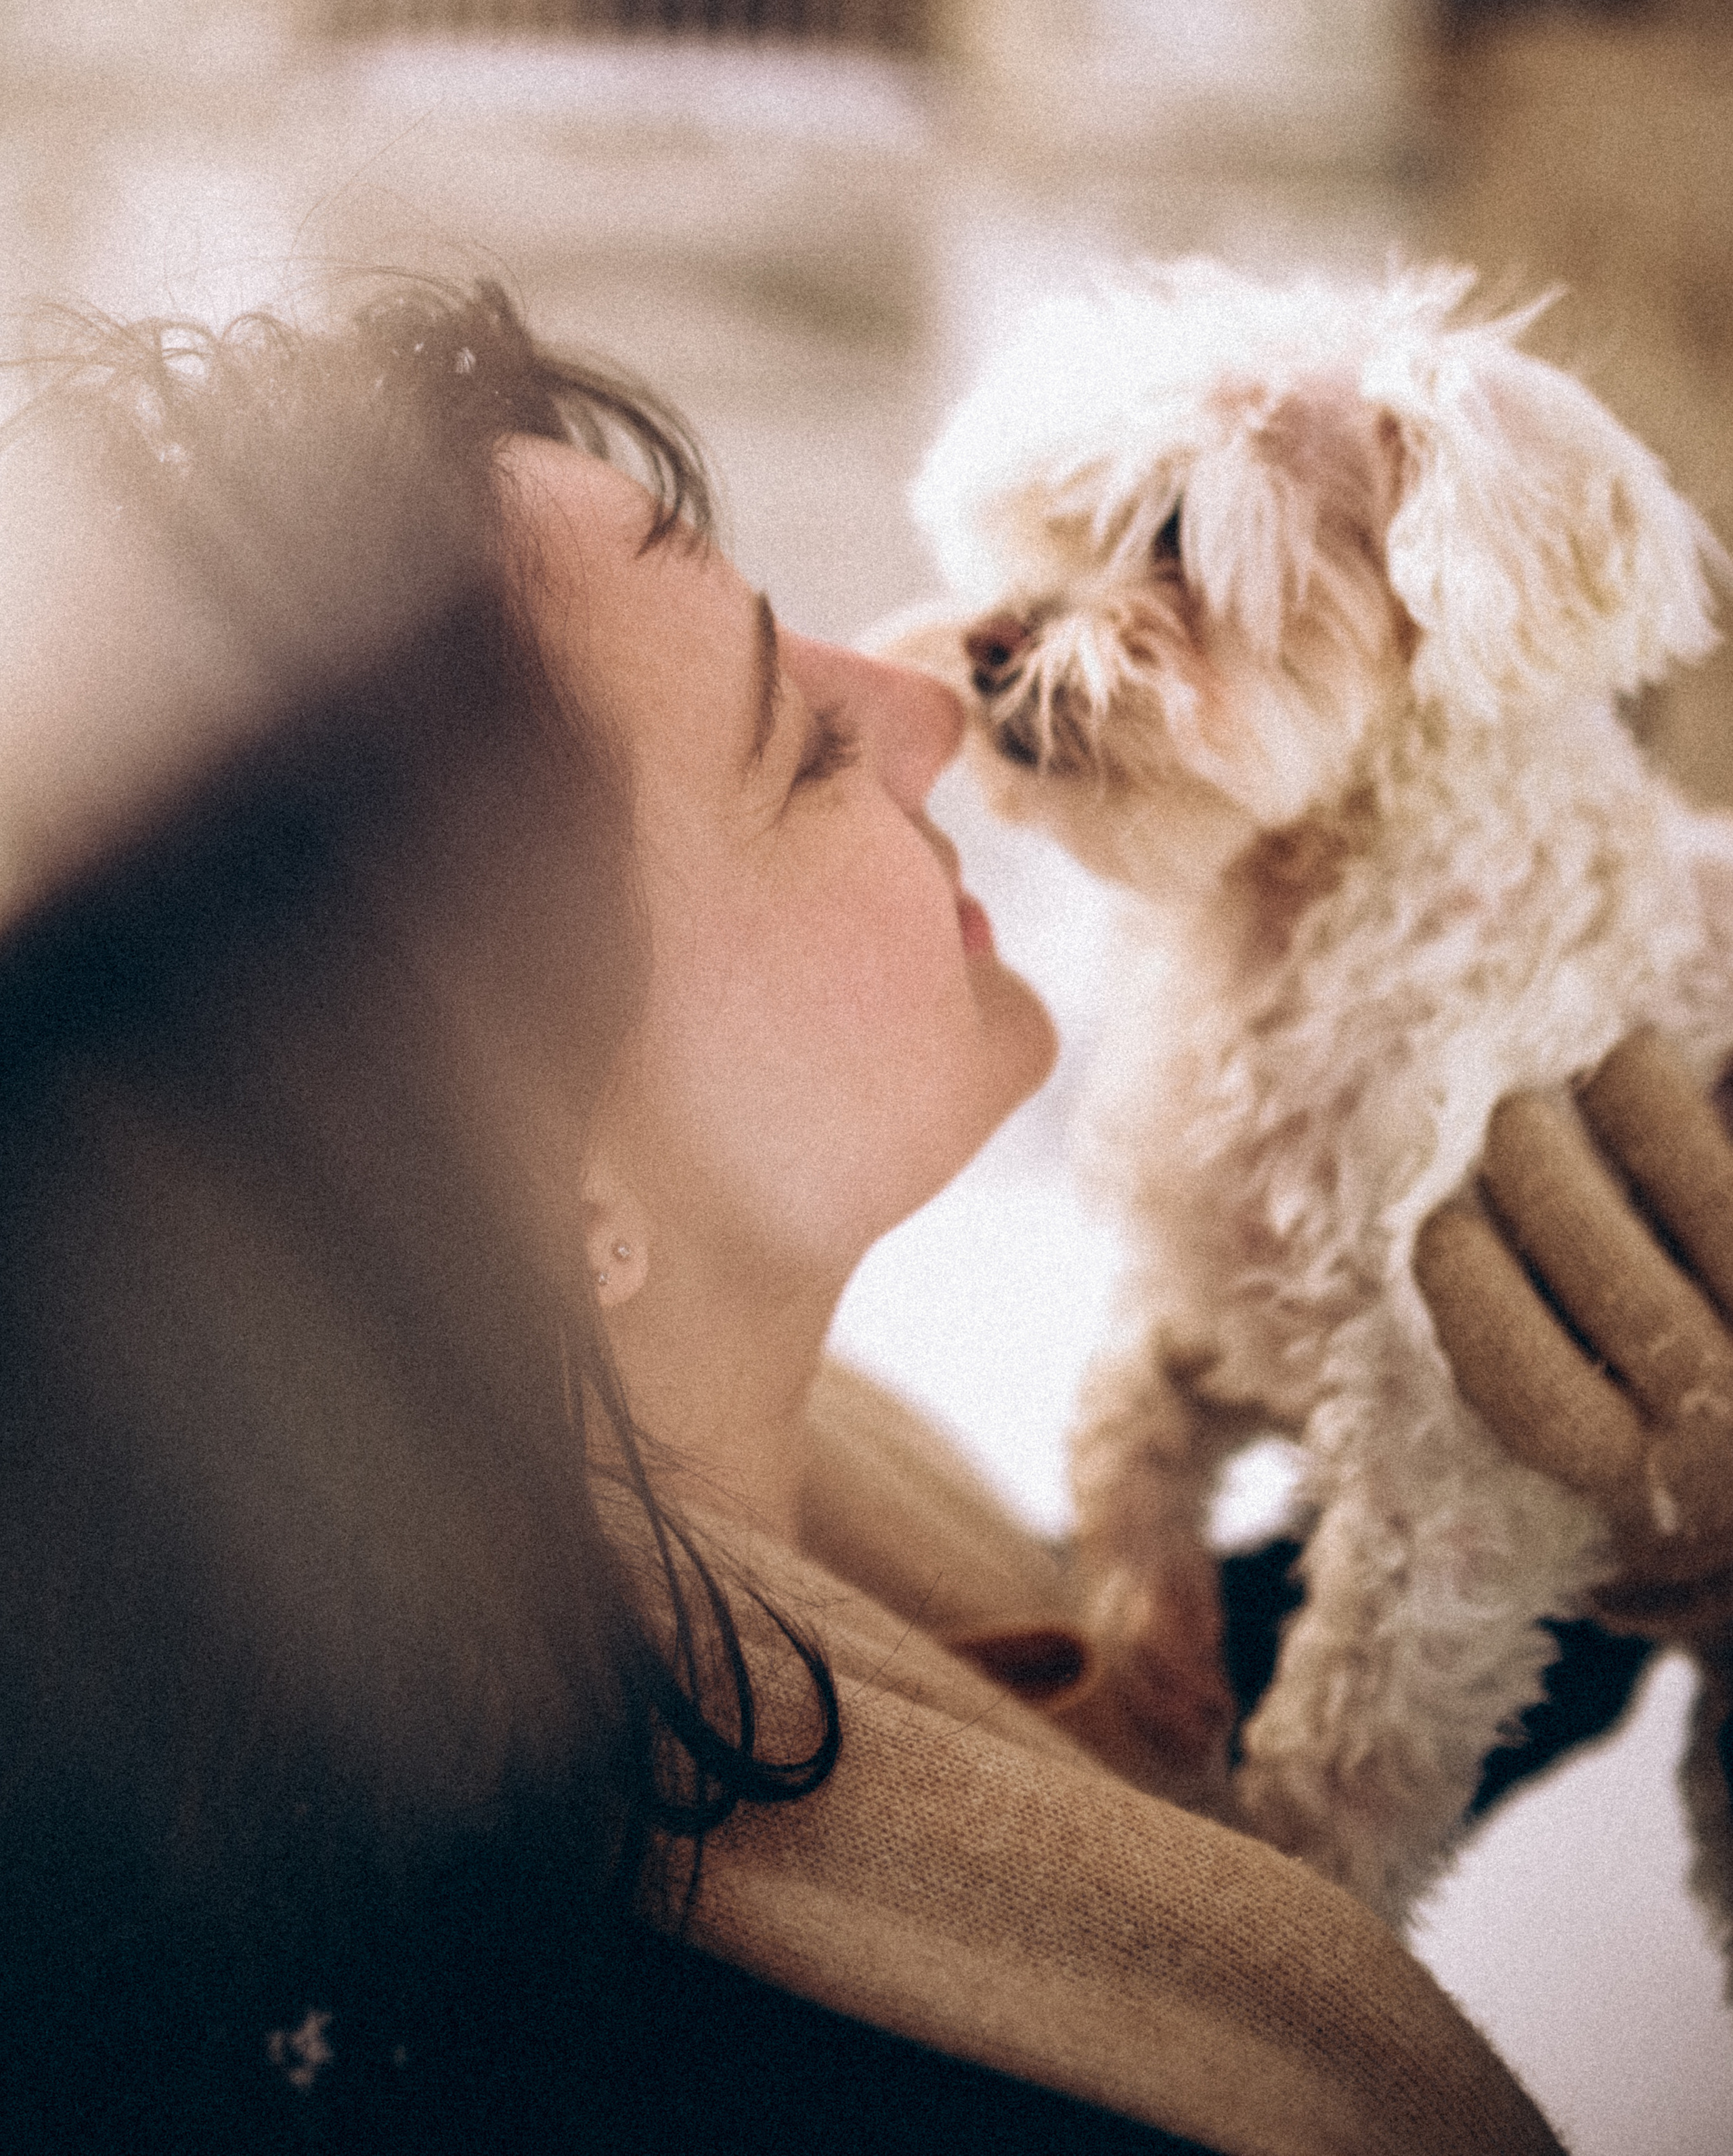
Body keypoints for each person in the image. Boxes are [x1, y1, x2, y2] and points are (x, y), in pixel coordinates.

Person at [0, 283, 1727, 2155]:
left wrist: (1609, 1532)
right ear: (538, 1174)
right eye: (797, 743)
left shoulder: (745, 1534)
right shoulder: (800, 2094)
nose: (926, 694)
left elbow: (1103, 1780)